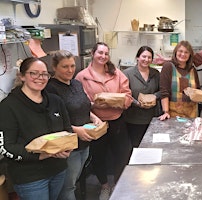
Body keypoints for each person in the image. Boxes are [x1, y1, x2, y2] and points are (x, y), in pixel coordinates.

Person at [0, 57, 72, 200]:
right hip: (30, 176)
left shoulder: (55, 101)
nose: (40, 78)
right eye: (34, 73)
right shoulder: (8, 106)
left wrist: (66, 148)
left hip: (58, 169)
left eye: (45, 74)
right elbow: (6, 147)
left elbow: (67, 130)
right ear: (22, 76)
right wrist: (40, 155)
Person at [75, 42, 133, 200]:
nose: (103, 56)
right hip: (95, 124)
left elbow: (127, 95)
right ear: (93, 53)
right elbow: (80, 101)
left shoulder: (117, 74)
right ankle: (104, 186)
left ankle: (118, 185)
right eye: (100, 52)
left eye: (106, 54)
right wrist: (96, 104)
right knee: (98, 156)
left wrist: (120, 102)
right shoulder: (82, 77)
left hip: (117, 121)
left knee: (121, 154)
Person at [45, 50, 102, 200]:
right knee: (67, 187)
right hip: (69, 146)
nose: (70, 70)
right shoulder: (50, 88)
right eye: (65, 67)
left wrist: (94, 117)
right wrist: (76, 130)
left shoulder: (76, 83)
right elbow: (53, 119)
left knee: (73, 181)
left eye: (72, 66)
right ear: (54, 67)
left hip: (84, 142)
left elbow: (83, 106)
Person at [123, 46, 161, 147]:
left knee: (151, 146)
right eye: (144, 56)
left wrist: (154, 96)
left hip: (152, 118)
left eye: (149, 57)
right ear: (137, 57)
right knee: (136, 146)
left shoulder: (155, 73)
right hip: (133, 118)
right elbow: (124, 94)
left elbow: (162, 91)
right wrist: (137, 103)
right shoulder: (128, 73)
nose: (146, 60)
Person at [158, 40, 200, 120]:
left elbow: (197, 90)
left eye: (186, 52)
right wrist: (166, 112)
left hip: (191, 114)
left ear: (190, 55)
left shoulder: (192, 70)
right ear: (175, 52)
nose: (183, 54)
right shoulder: (168, 67)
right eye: (180, 51)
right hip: (172, 114)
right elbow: (164, 92)